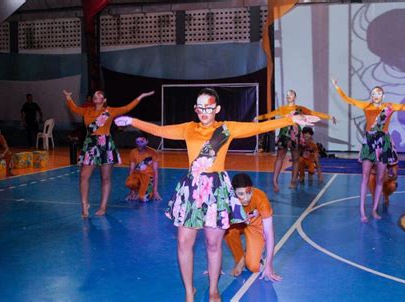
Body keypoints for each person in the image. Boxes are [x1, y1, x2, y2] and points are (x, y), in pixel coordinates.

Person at [115, 88, 319, 302]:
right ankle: (188, 291)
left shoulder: (226, 129)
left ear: (217, 109)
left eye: (209, 107)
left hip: (216, 190)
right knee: (184, 242)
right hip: (192, 189)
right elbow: (159, 130)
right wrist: (134, 121)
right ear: (195, 109)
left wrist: (290, 120)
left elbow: (259, 127)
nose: (204, 111)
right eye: (200, 107)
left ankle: (213, 290)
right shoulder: (187, 129)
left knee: (213, 243)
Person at [332, 79, 405, 222]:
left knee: (379, 178)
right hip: (369, 142)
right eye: (373, 93)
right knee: (365, 176)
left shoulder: (389, 107)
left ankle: (374, 209)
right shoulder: (366, 105)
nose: (375, 95)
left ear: (383, 96)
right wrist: (337, 86)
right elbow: (348, 99)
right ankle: (362, 211)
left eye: (378, 93)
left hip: (383, 143)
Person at [63, 89, 155, 218]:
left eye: (99, 94)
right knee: (84, 176)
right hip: (90, 145)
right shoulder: (87, 110)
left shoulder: (110, 111)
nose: (96, 95)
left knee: (105, 178)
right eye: (95, 94)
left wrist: (141, 96)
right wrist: (68, 97)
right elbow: (74, 108)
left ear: (104, 100)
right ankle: (84, 205)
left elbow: (127, 107)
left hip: (105, 145)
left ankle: (103, 207)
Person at [254, 89, 335, 192]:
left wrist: (329, 117)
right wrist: (258, 117)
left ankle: (293, 181)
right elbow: (269, 115)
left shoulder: (300, 109)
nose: (289, 96)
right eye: (287, 94)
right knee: (279, 158)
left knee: (296, 159)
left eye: (291, 94)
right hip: (284, 135)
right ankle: (274, 181)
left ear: (295, 97)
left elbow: (314, 113)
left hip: (295, 136)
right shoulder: (282, 109)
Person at [224, 173, 282, 282]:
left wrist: (269, 265)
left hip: (255, 225)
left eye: (249, 193)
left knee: (254, 267)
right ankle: (241, 259)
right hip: (237, 224)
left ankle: (248, 256)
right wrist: (214, 266)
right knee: (227, 232)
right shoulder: (226, 201)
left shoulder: (260, 198)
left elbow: (269, 234)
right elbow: (213, 233)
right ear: (233, 193)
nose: (246, 198)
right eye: (241, 194)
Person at [125, 132, 162, 202]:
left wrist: (155, 190)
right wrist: (131, 190)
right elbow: (131, 170)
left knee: (143, 198)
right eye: (137, 142)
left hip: (148, 177)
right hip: (137, 175)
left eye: (142, 142)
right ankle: (136, 190)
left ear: (147, 142)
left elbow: (156, 173)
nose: (139, 144)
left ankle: (146, 190)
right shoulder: (133, 152)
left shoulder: (153, 153)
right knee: (129, 182)